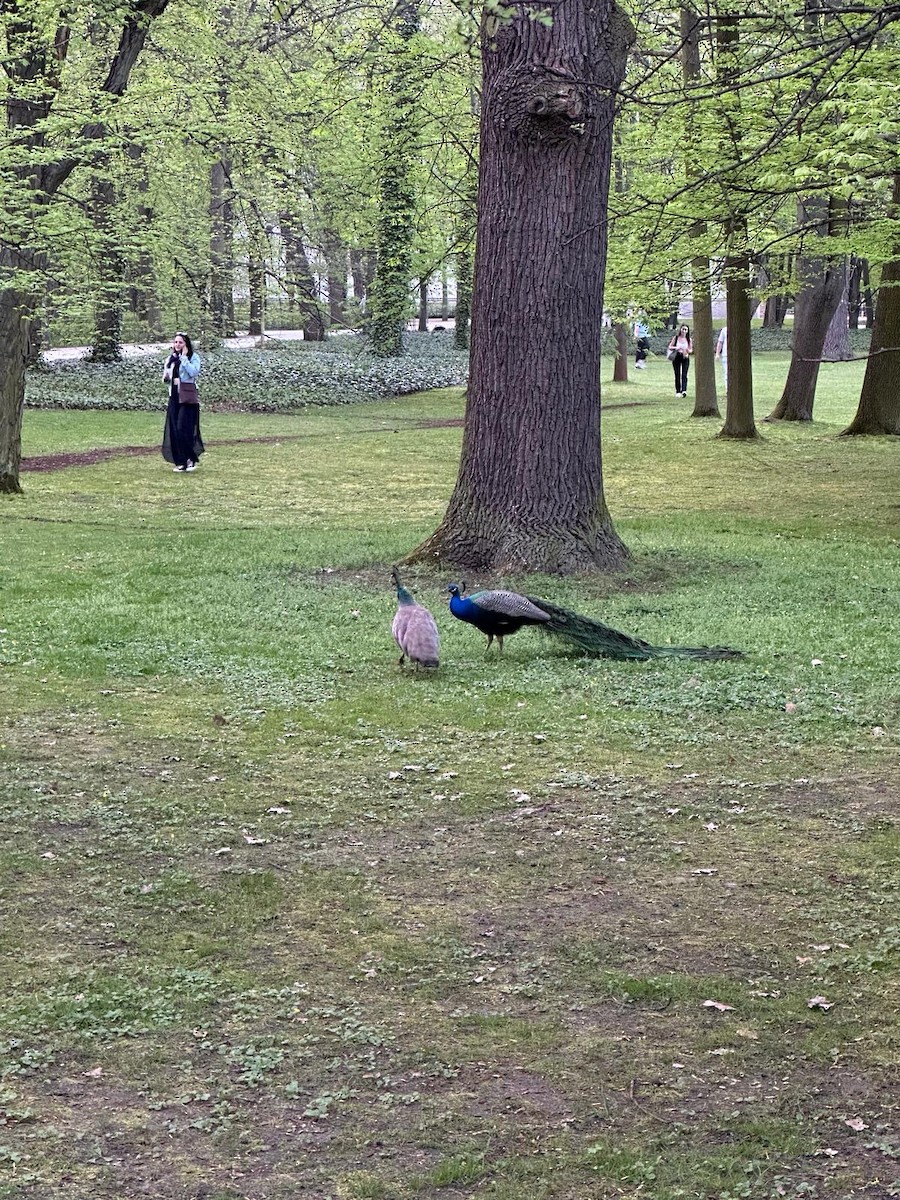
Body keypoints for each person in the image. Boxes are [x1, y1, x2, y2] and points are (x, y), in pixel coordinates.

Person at [161, 332, 204, 473]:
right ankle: (180, 461)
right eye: (176, 342)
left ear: (186, 344)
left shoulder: (193, 358)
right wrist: (166, 378)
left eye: (180, 342)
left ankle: (189, 458)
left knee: (183, 428)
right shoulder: (170, 359)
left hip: (187, 398)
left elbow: (193, 372)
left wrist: (184, 358)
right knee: (174, 429)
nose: (177, 345)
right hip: (174, 396)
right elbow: (166, 376)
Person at [667, 323, 693, 397]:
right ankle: (678, 391)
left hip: (685, 357)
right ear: (680, 330)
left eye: (686, 329)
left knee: (684, 374)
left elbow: (691, 350)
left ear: (687, 331)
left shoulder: (689, 340)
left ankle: (684, 390)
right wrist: (677, 348)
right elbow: (670, 346)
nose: (684, 331)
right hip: (677, 356)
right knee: (677, 374)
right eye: (683, 329)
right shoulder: (676, 338)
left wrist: (687, 350)